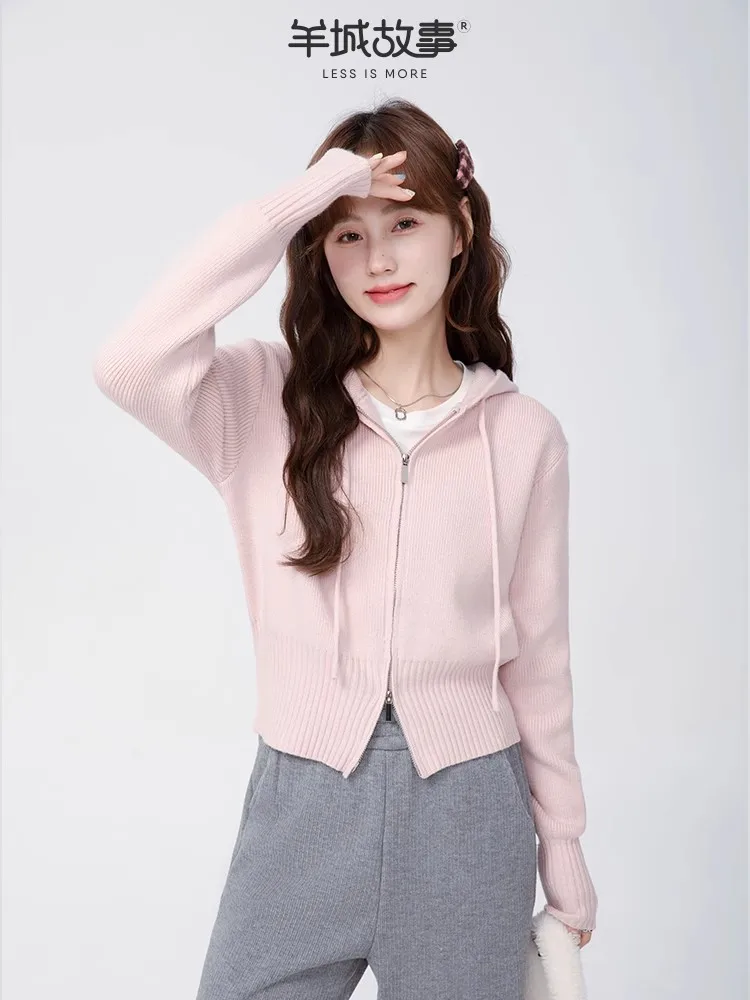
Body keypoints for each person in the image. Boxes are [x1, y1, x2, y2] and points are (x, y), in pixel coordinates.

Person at [93, 97, 597, 1000]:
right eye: (347, 235)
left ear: (459, 230)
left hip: (469, 813)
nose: (378, 260)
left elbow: (541, 661)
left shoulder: (524, 437)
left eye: (404, 223)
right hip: (303, 802)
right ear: (319, 252)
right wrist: (308, 194)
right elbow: (130, 361)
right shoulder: (263, 402)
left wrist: (563, 845)